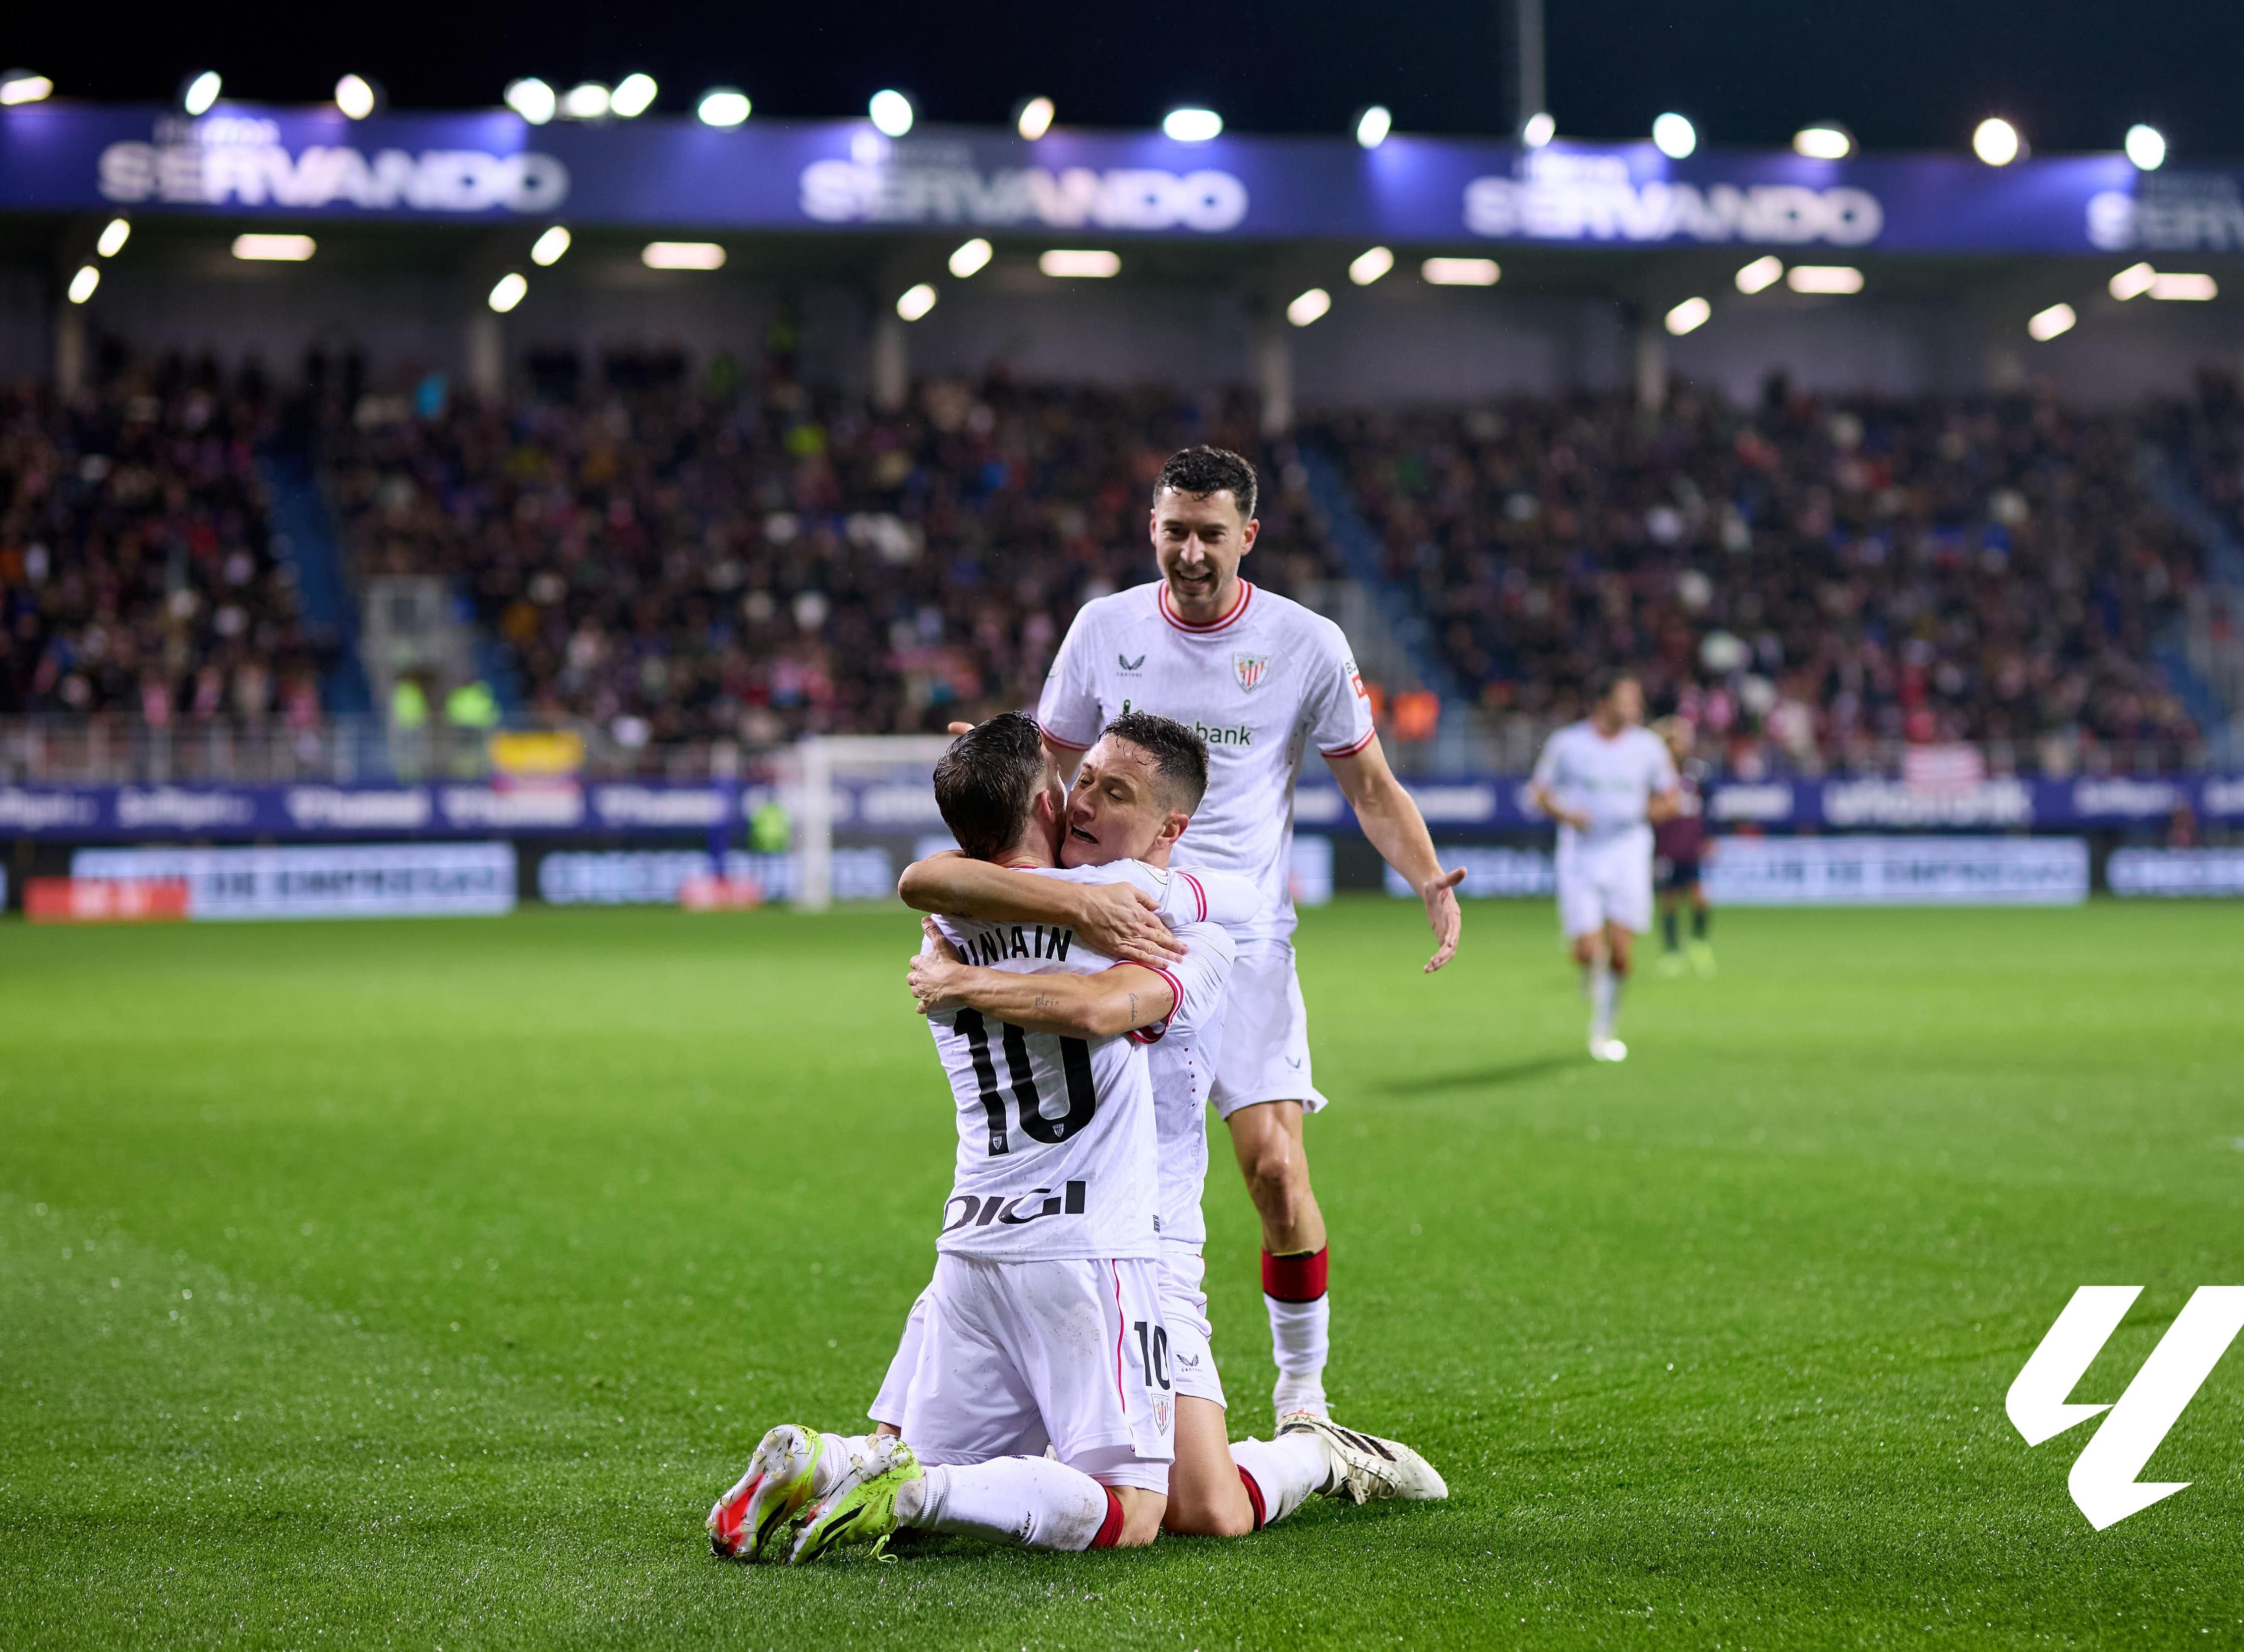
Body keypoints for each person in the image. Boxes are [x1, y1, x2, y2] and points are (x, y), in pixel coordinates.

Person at [707, 714, 1437, 1564]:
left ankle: (1319, 1447)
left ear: (1171, 828)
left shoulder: (981, 912)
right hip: (1101, 1242)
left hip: (1128, 1239)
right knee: (1128, 1506)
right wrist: (1072, 891)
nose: (1085, 799)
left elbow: (936, 881)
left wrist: (966, 975)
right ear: (1049, 797)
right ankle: (933, 1472)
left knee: (1206, 1507)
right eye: (1081, 778)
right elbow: (1076, 984)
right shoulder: (1101, 916)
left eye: (1112, 791)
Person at [1029, 446, 1467, 1427]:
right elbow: (1048, 771)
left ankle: (1302, 1393)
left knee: (1273, 1168)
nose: (1189, 551)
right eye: (1173, 531)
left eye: (1209, 534)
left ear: (1247, 538)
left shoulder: (1304, 642)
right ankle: (1098, 1383)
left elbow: (1369, 784)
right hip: (1116, 930)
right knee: (1090, 1171)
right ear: (1153, 530)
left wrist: (1428, 877)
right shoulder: (1104, 629)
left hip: (1245, 942)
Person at [1525, 673, 1680, 1063]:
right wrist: (1566, 814)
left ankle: (1604, 1030)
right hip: (1581, 853)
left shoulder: (1648, 747)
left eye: (1637, 701)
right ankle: (1587, 969)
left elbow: (1673, 798)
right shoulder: (1568, 744)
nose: (1636, 709)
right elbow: (1538, 793)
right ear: (1604, 703)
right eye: (1628, 700)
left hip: (1628, 851)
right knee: (1587, 950)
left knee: (1622, 953)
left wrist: (1645, 812)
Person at [1649, 715, 1715, 979]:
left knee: (1699, 897)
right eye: (1677, 740)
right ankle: (1672, 953)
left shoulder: (1698, 772)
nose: (1683, 745)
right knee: (1669, 900)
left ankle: (1699, 945)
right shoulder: (1657, 775)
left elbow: (1710, 808)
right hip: (1666, 845)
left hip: (1691, 846)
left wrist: (1709, 837)